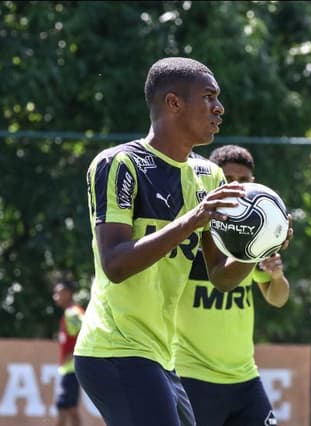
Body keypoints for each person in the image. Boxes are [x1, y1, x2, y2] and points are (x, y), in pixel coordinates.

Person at [74, 57, 266, 426]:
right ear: (174, 103)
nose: (219, 108)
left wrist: (257, 248)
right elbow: (114, 264)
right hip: (114, 349)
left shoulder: (208, 175)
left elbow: (220, 277)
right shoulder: (119, 164)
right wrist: (192, 219)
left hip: (161, 358)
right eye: (209, 97)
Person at [174, 145, 293, 426]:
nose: (238, 188)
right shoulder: (194, 238)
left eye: (245, 181)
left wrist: (276, 276)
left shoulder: (253, 244)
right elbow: (222, 279)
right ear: (215, 183)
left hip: (244, 378)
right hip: (193, 376)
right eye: (229, 180)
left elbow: (278, 298)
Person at [52, 275, 84, 426]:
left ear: (68, 292)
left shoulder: (73, 313)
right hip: (69, 370)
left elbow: (88, 331)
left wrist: (75, 354)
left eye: (58, 292)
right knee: (66, 408)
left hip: (72, 369)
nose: (55, 296)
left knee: (68, 408)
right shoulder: (69, 313)